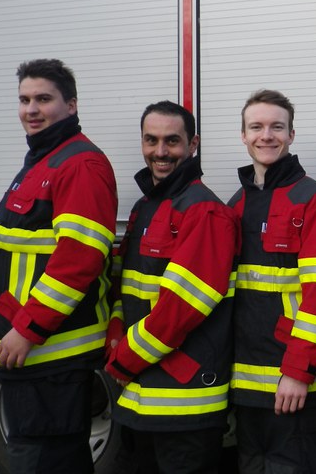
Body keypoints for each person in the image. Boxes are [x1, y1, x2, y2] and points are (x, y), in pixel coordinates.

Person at [0, 59, 118, 473]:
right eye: (24, 100)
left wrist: (28, 329)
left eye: (43, 99)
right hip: (34, 352)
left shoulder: (80, 165)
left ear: (71, 104)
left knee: (41, 459)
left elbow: (78, 260)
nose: (31, 109)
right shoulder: (44, 159)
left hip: (50, 353)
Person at [104, 101, 238, 473]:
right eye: (151, 140)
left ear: (193, 144)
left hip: (185, 402)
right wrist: (115, 331)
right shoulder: (145, 207)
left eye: (172, 141)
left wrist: (124, 359)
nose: (160, 151)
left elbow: (181, 308)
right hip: (141, 395)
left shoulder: (204, 211)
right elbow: (128, 286)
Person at [228, 89, 316, 473]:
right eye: (256, 127)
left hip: (295, 386)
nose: (266, 136)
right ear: (243, 135)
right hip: (246, 386)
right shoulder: (234, 205)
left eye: (277, 127)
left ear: (291, 135)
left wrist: (298, 371)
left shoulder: (315, 199)